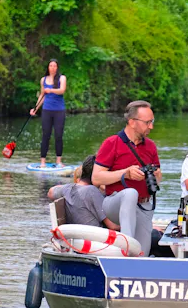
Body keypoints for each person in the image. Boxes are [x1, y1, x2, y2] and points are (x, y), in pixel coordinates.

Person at [91, 100, 162, 256]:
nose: (151, 126)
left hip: (143, 206)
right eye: (148, 122)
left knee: (142, 254)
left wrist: (156, 175)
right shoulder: (112, 143)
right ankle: (127, 244)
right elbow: (96, 178)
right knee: (130, 193)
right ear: (132, 122)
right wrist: (125, 173)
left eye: (152, 122)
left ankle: (133, 268)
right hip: (114, 203)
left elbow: (158, 178)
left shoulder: (150, 146)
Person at [47, 155, 119, 230]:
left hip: (75, 236)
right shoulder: (92, 191)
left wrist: (64, 187)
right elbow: (113, 226)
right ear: (96, 175)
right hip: (94, 237)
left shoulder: (68, 189)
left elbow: (50, 192)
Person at [30, 59, 67, 167]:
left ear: (57, 67)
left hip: (59, 111)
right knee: (46, 135)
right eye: (50, 65)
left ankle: (59, 161)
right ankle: (42, 162)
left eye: (55, 66)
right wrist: (35, 108)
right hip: (47, 110)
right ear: (48, 67)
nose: (52, 68)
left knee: (58, 135)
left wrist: (51, 90)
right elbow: (42, 96)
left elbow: (62, 90)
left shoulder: (62, 78)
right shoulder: (43, 80)